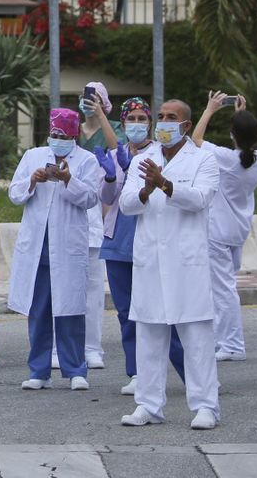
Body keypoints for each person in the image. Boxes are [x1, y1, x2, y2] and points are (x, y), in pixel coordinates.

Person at [119, 98, 222, 430]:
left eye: (171, 117)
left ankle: (206, 406)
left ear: (186, 126)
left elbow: (201, 199)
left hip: (186, 262)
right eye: (160, 117)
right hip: (151, 260)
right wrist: (147, 190)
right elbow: (125, 205)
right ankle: (148, 405)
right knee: (149, 334)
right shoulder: (141, 161)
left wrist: (165, 184)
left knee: (196, 337)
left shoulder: (204, 159)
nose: (163, 122)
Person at [8, 108, 100, 387]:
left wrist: (68, 180)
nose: (57, 139)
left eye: (63, 135)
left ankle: (75, 371)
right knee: (39, 310)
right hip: (38, 247)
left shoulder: (87, 161)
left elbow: (91, 198)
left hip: (67, 247)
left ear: (73, 136)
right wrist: (33, 181)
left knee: (70, 309)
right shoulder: (33, 156)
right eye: (54, 134)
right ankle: (39, 371)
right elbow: (14, 194)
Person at [100, 99, 186, 397]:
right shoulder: (115, 154)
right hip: (117, 241)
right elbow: (108, 197)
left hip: (149, 238)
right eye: (131, 118)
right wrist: (112, 175)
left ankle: (191, 373)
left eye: (142, 118)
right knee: (127, 312)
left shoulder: (160, 153)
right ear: (122, 123)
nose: (136, 123)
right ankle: (137, 372)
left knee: (163, 312)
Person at [189, 92, 257, 362]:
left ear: (232, 133)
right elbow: (245, 142)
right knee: (223, 286)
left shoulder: (226, 158)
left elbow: (195, 140)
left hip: (218, 231)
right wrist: (240, 113)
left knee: (223, 289)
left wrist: (210, 109)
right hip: (238, 230)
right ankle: (222, 339)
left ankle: (232, 344)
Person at [71, 82, 118, 372]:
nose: (89, 102)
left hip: (100, 212)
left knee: (92, 289)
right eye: (86, 97)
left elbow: (118, 153)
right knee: (65, 287)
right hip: (72, 207)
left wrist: (101, 115)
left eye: (96, 98)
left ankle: (92, 348)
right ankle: (63, 346)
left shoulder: (111, 127)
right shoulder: (71, 127)